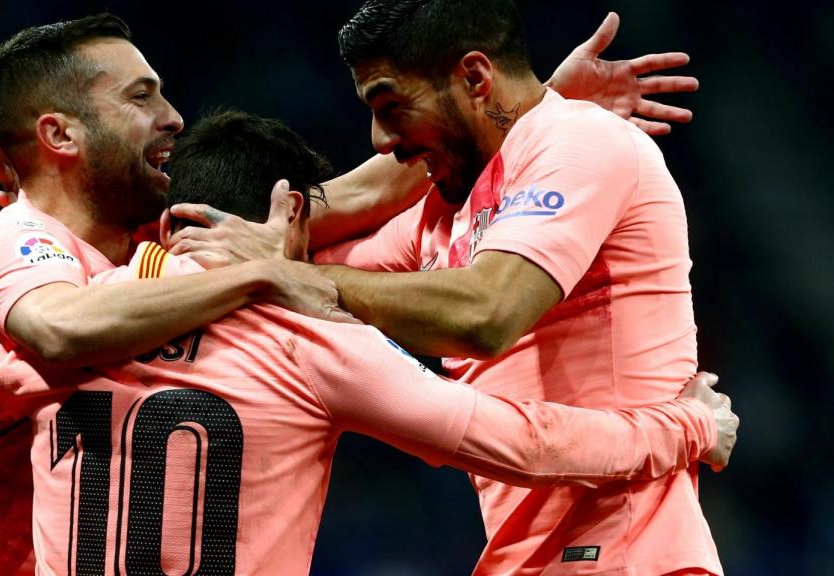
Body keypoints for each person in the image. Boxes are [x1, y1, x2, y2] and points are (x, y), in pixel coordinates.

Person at [0, 9, 707, 575]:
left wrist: (534, 111)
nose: (172, 117)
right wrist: (685, 427)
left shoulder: (74, 312)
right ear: (60, 133)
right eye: (143, 95)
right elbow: (501, 407)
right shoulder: (297, 333)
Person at [167, 1, 726, 574]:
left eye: (391, 107)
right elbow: (289, 243)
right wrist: (250, 254)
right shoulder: (443, 216)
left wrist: (285, 273)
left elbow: (486, 314)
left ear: (477, 78)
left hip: (627, 551)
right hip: (528, 558)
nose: (380, 140)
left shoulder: (583, 142)